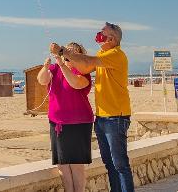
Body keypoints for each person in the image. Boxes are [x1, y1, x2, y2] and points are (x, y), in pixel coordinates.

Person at [57, 22, 134, 192]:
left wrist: (63, 52)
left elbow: (86, 61)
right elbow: (85, 66)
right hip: (102, 117)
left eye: (102, 34)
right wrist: (63, 61)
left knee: (120, 164)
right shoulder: (102, 53)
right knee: (109, 164)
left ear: (111, 39)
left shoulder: (116, 54)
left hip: (116, 116)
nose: (98, 36)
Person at [36, 42, 94, 192]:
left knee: (76, 164)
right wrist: (46, 67)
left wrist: (62, 65)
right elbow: (42, 80)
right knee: (62, 164)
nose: (69, 58)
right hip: (57, 123)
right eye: (67, 55)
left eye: (73, 55)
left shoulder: (83, 73)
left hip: (79, 123)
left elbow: (74, 83)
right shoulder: (55, 69)